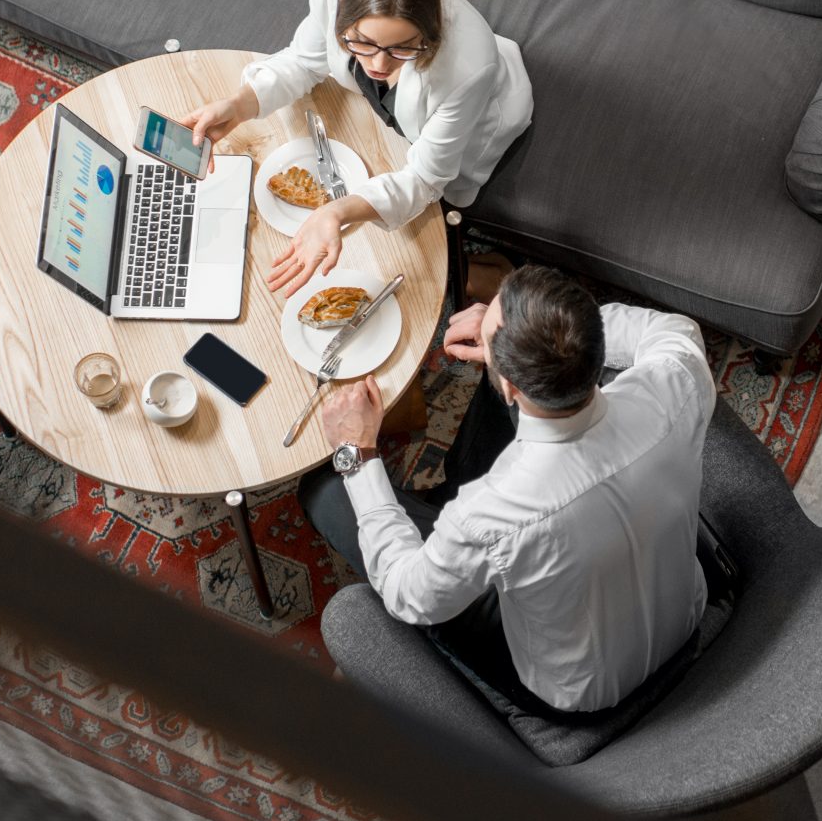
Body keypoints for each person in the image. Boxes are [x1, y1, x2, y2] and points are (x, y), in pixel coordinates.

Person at [298, 265, 714, 715]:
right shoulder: (677, 381)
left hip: (581, 693)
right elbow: (676, 328)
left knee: (324, 491)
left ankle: (435, 536)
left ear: (514, 386)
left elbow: (407, 594)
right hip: (682, 616)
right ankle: (449, 507)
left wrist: (356, 451)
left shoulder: (487, 514)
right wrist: (533, 335)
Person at [179, 0, 531, 297]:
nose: (378, 64)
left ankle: (481, 273)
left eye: (402, 48)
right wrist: (239, 105)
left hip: (476, 122)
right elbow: (303, 61)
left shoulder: (468, 66)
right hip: (392, 119)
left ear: (430, 31)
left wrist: (336, 211)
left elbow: (426, 178)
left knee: (435, 212)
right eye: (361, 42)